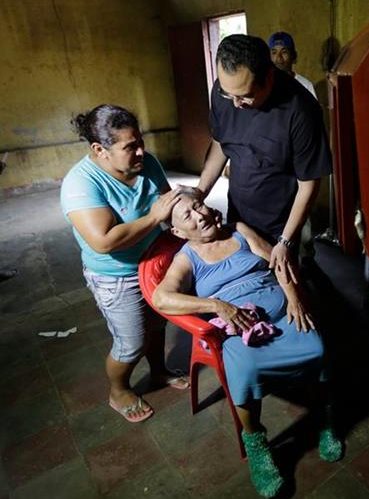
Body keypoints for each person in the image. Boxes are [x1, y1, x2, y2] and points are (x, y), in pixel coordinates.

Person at [151, 195, 343, 497]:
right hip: (241, 330)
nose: (198, 216)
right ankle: (256, 444)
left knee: (317, 348)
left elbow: (277, 261)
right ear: (178, 232)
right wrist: (216, 306)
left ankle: (325, 418)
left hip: (283, 311)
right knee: (246, 368)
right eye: (187, 216)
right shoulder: (187, 257)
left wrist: (294, 297)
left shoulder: (238, 230)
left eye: (197, 206)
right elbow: (161, 298)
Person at [60, 104, 189, 424]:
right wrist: (155, 216)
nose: (141, 151)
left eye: (140, 141)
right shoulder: (81, 184)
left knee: (158, 323)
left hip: (154, 261)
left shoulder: (148, 163)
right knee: (131, 341)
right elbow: (103, 241)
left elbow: (167, 203)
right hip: (115, 275)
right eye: (130, 146)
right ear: (99, 149)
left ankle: (158, 371)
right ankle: (118, 389)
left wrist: (191, 213)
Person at [196, 34, 331, 282]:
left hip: (282, 221)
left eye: (245, 96)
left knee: (290, 285)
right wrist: (200, 191)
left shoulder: (301, 110)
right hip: (239, 213)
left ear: (268, 77)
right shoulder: (224, 91)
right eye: (229, 95)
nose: (235, 104)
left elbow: (308, 183)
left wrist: (286, 241)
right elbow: (221, 143)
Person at [268, 31, 317, 99]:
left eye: (284, 52)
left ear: (293, 56)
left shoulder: (305, 85)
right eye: (274, 53)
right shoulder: (264, 86)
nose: (279, 58)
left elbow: (314, 109)